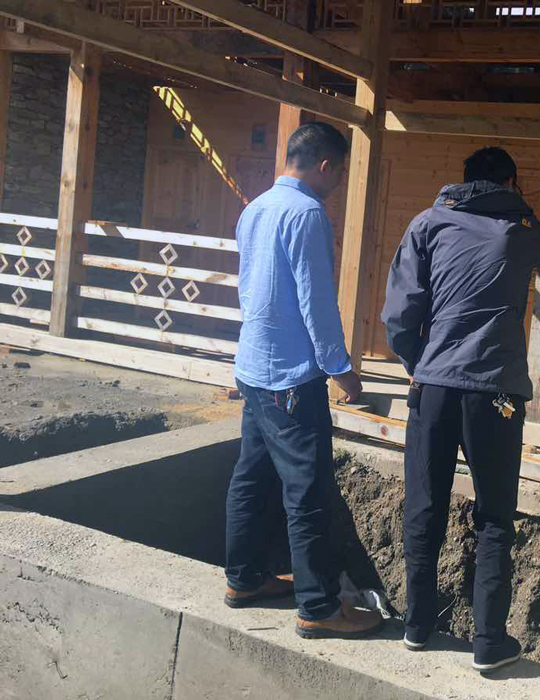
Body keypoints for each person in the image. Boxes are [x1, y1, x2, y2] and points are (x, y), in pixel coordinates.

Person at [381, 147, 540, 673]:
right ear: (511, 183)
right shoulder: (521, 230)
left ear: (463, 180)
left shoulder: (427, 223)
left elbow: (399, 313)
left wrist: (419, 363)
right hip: (497, 395)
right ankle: (489, 642)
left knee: (424, 505)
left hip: (435, 388)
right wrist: (526, 212)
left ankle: (417, 625)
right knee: (494, 516)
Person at [225, 122, 383, 640]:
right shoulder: (308, 214)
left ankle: (244, 579)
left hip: (254, 369)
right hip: (291, 380)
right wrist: (341, 370)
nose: (338, 182)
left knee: (251, 478)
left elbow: (250, 290)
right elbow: (316, 302)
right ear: (324, 165)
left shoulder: (255, 208)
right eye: (339, 171)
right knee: (308, 492)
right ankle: (317, 607)